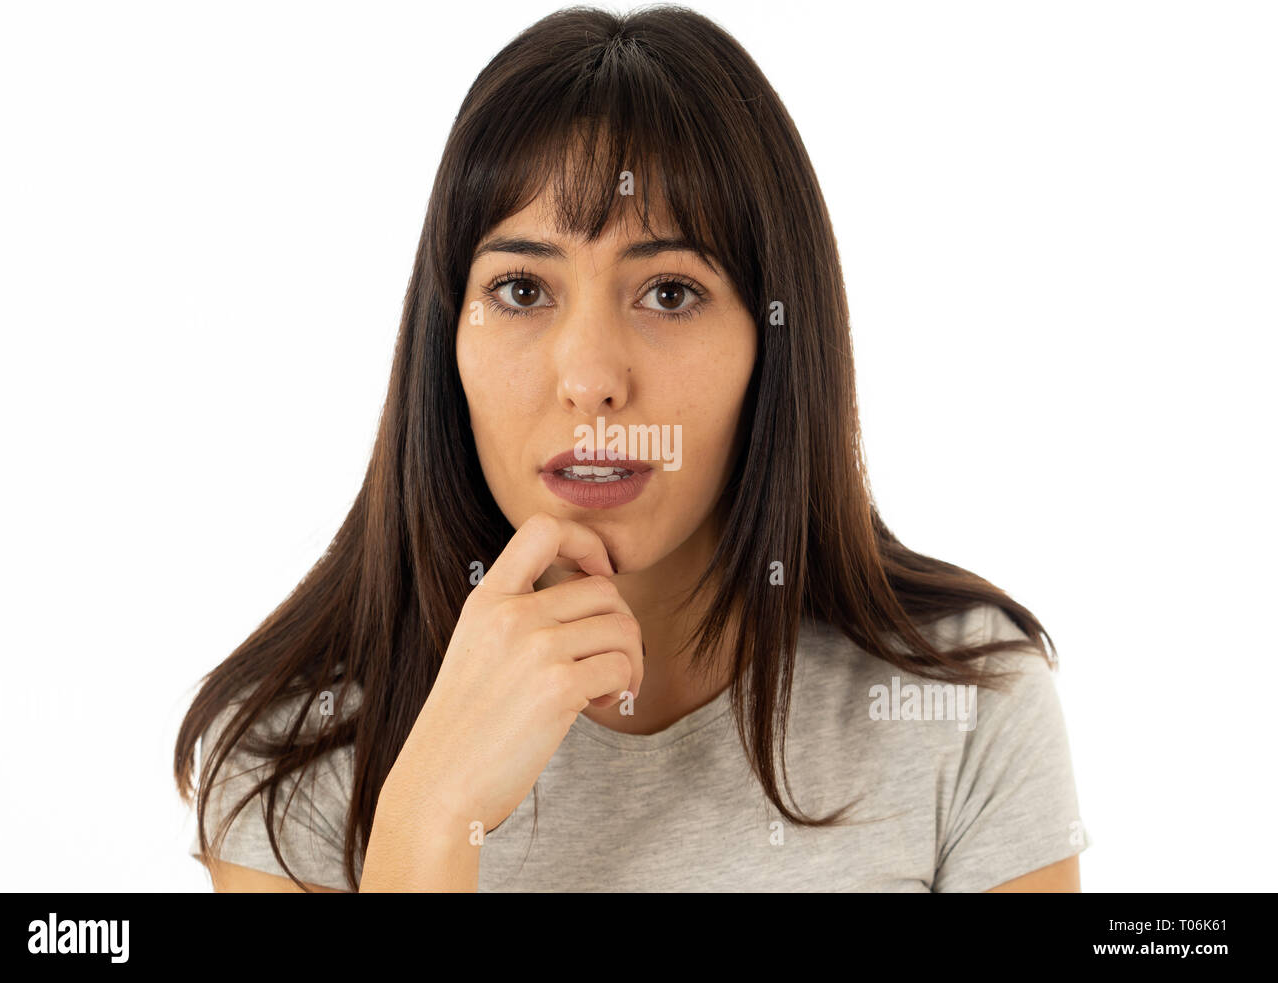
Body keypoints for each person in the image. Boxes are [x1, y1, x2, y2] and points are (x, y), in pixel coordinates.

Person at [175, 4, 1088, 892]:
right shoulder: (292, 749)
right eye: (524, 289)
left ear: (773, 340)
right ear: (445, 338)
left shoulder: (965, 704)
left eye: (670, 293)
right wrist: (429, 810)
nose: (592, 378)